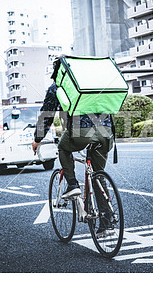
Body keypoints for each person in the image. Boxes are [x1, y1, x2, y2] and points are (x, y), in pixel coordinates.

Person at [32, 59, 115, 236]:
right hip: (106, 132)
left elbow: (47, 115)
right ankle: (107, 222)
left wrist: (37, 139)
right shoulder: (93, 83)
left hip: (80, 132)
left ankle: (72, 185)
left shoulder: (57, 87)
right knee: (97, 176)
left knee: (63, 147)